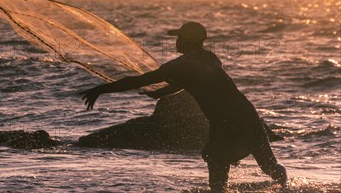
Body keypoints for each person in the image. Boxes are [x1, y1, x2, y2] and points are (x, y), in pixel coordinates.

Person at [81, 22, 287, 192]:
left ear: (188, 42)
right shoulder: (210, 58)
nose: (176, 42)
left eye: (179, 38)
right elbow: (186, 83)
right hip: (246, 113)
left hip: (224, 120)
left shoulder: (178, 66)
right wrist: (160, 93)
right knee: (269, 166)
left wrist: (99, 89)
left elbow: (137, 81)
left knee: (217, 171)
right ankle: (287, 188)